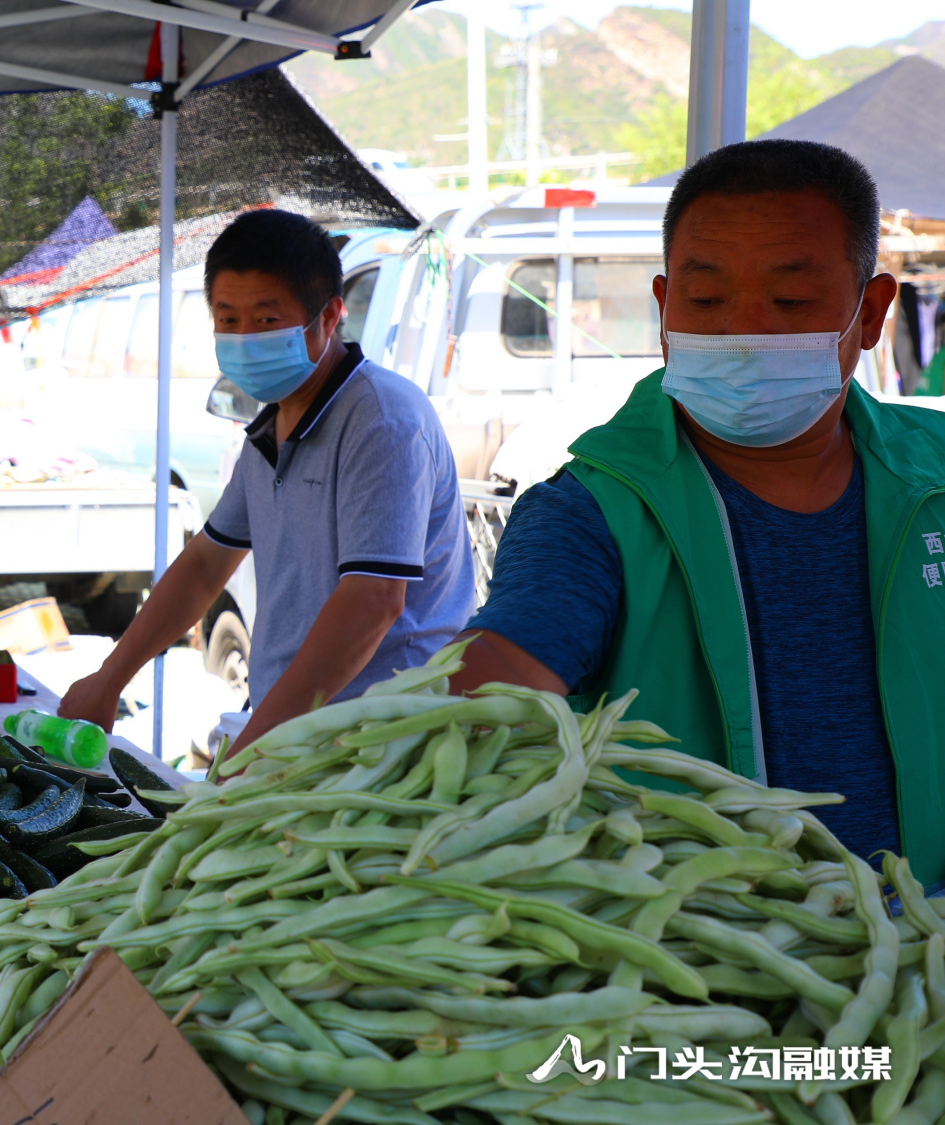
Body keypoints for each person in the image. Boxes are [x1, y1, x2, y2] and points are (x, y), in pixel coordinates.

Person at [451, 139, 944, 878]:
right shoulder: (595, 511)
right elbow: (492, 686)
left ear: (871, 312)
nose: (741, 333)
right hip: (693, 965)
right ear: (662, 310)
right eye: (706, 300)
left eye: (790, 301)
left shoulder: (934, 474)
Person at [60, 209, 474, 750]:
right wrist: (109, 679)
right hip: (299, 734)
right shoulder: (271, 426)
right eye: (227, 320)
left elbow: (373, 600)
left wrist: (259, 740)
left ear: (329, 318)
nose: (244, 338)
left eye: (265, 319)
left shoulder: (382, 419)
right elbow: (206, 565)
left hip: (383, 740)